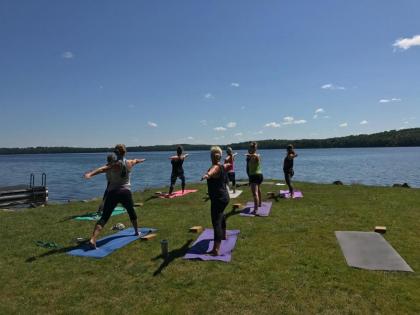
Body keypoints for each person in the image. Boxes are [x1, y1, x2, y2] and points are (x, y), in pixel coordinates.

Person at [84, 144, 145, 248]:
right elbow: (135, 160)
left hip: (113, 193)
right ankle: (136, 232)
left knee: (105, 217)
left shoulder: (115, 164)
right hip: (125, 192)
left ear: (116, 153)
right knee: (131, 211)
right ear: (125, 152)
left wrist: (90, 174)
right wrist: (141, 160)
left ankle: (93, 239)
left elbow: (103, 169)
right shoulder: (129, 163)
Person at [201, 146, 230, 256]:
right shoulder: (222, 166)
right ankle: (223, 235)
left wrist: (207, 175)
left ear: (212, 157)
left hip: (218, 199)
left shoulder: (215, 167)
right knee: (221, 215)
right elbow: (222, 181)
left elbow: (213, 172)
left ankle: (216, 249)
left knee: (216, 222)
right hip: (224, 197)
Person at [246, 142, 263, 214]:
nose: (248, 150)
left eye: (249, 148)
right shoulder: (250, 156)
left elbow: (256, 156)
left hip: (255, 176)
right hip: (258, 175)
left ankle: (255, 209)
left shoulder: (256, 155)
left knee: (254, 193)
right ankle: (259, 204)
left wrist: (251, 154)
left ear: (253, 149)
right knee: (258, 190)